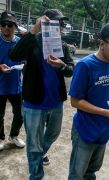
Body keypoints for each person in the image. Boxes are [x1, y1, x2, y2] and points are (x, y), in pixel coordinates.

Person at [9, 9, 74, 180]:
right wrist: (33, 30)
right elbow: (14, 55)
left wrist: (62, 65)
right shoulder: (33, 41)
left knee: (53, 134)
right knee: (33, 144)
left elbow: (70, 70)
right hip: (34, 104)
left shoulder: (63, 45)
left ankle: (37, 155)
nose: (60, 27)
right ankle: (36, 175)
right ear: (45, 24)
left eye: (62, 24)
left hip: (56, 102)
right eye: (56, 23)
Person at [68, 22, 109, 180]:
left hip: (104, 130)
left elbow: (101, 85)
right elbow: (75, 101)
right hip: (85, 131)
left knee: (91, 172)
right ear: (102, 44)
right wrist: (106, 112)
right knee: (77, 174)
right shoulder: (85, 65)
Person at [0, 11, 25, 150]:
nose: (6, 27)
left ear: (15, 27)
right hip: (0, 85)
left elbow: (26, 60)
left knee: (20, 113)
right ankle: (0, 137)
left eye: (10, 24)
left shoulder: (20, 42)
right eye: (3, 24)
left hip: (16, 86)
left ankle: (13, 135)